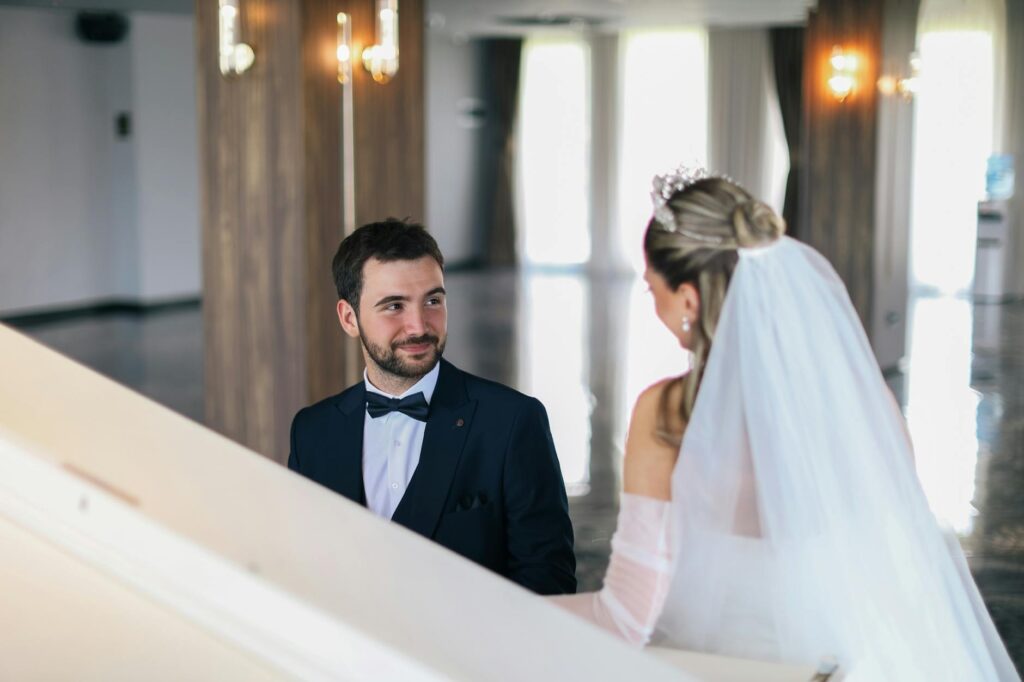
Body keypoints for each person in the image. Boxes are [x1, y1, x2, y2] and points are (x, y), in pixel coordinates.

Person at [551, 169, 1020, 681]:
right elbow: (899, 561)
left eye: (652, 290)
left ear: (688, 299)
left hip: (728, 666)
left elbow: (625, 618)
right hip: (862, 662)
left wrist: (507, 608)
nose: (656, 306)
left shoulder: (668, 414)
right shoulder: (867, 400)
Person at [288, 218, 576, 595]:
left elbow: (548, 586)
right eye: (394, 306)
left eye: (433, 301)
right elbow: (301, 574)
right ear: (348, 318)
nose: (418, 326)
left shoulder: (513, 423)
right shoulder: (312, 432)